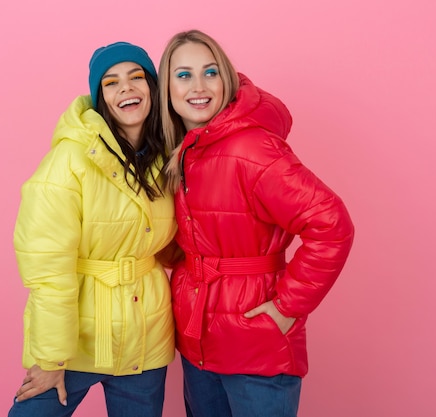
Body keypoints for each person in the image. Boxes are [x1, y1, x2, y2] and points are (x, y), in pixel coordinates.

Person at [157, 30, 355, 417]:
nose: (198, 86)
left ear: (226, 79)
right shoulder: (184, 151)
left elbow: (332, 224)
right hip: (199, 346)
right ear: (166, 88)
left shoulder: (253, 149)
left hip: (256, 346)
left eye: (210, 72)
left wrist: (286, 308)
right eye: (183, 75)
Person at [7, 41, 178, 417]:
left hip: (145, 338)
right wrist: (50, 357)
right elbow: (47, 265)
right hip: (76, 341)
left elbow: (170, 243)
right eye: (111, 82)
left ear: (153, 87)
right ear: (100, 97)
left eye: (136, 78)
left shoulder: (168, 158)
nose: (126, 89)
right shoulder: (68, 161)